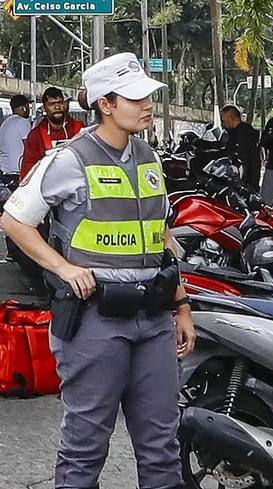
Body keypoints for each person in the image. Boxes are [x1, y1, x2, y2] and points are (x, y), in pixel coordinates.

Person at [0, 52, 194, 489]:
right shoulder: (69, 159)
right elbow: (13, 219)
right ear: (105, 103)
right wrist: (64, 268)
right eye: (135, 97)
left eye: (148, 96)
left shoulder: (150, 158)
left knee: (163, 447)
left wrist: (181, 307)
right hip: (95, 320)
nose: (147, 105)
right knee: (86, 446)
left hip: (154, 320)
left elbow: (162, 238)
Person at [21, 87, 84, 178]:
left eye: (60, 103)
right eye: (52, 104)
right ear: (44, 108)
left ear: (65, 105)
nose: (57, 107)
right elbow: (27, 170)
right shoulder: (36, 135)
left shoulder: (79, 129)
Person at [219, 105, 261, 191]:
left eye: (223, 119)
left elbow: (234, 154)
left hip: (246, 181)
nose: (222, 123)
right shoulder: (236, 133)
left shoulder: (243, 134)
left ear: (230, 118)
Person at [0, 95, 32, 177]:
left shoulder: (4, 123)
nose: (29, 110)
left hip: (4, 170)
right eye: (28, 107)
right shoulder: (22, 122)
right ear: (23, 108)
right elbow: (30, 147)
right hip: (18, 172)